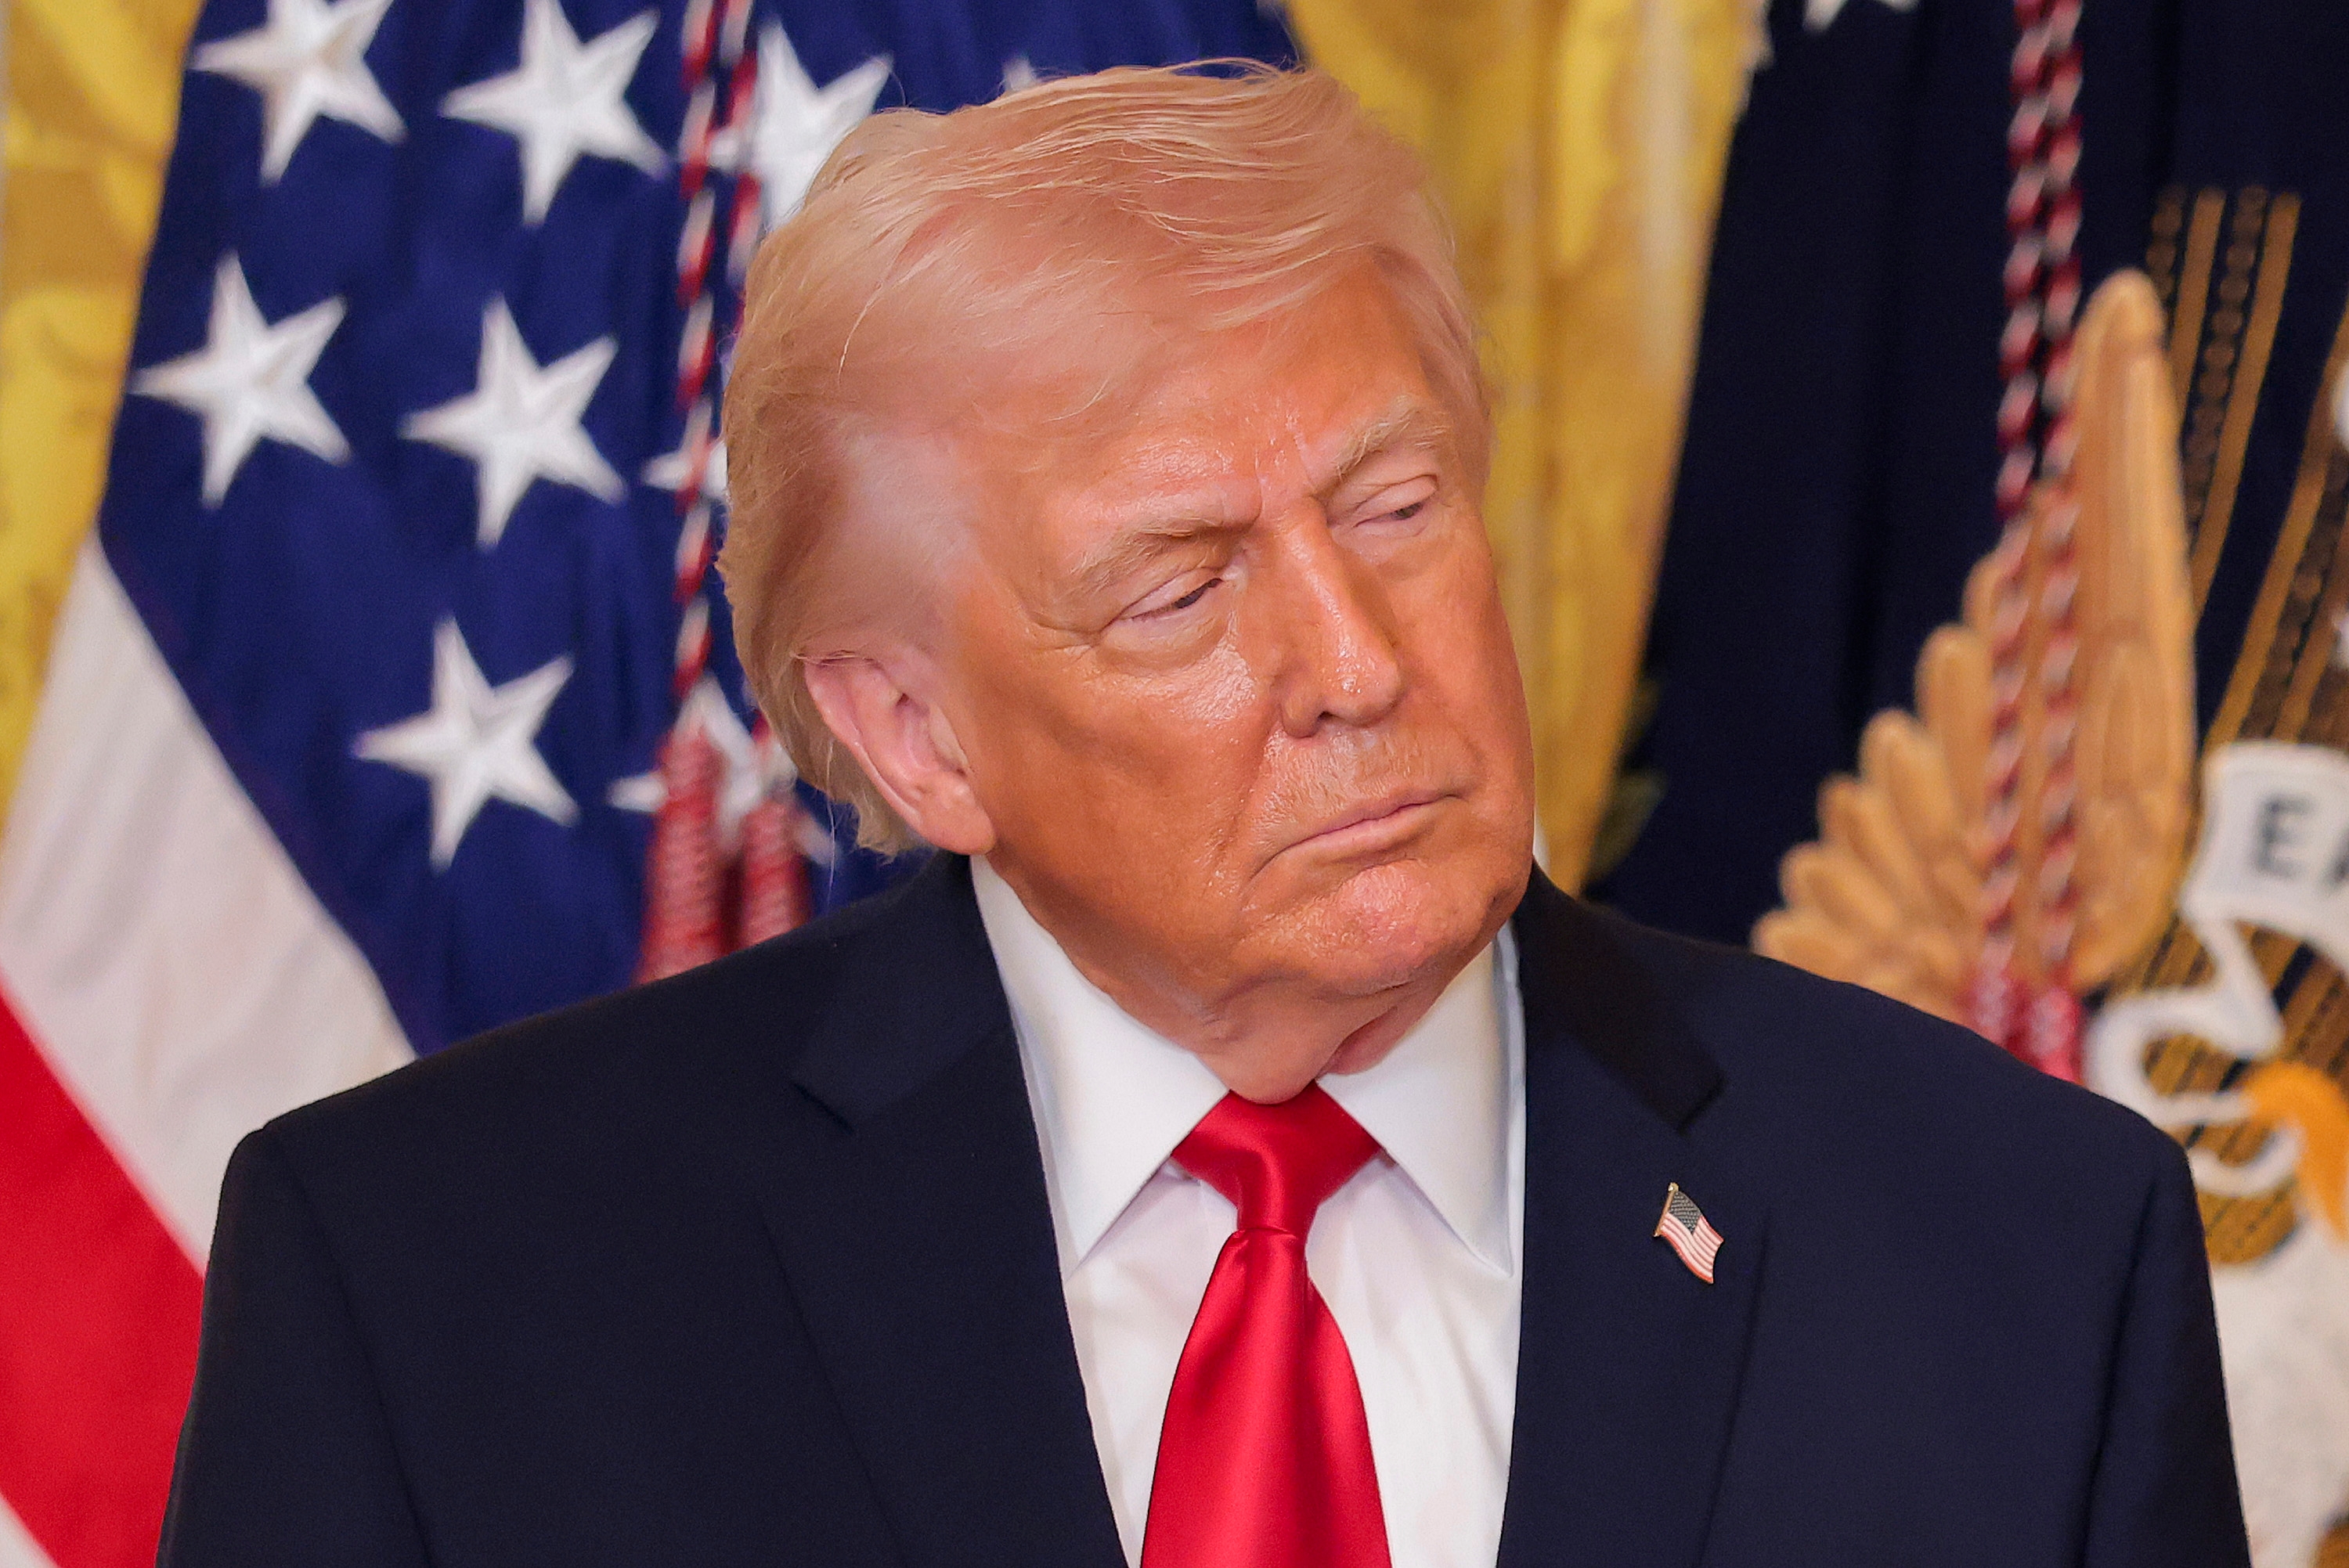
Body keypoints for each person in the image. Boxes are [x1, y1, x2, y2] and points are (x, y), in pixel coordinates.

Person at [160, 64, 2250, 1568]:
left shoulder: (2024, 1252)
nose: (1356, 658)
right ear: (917, 740)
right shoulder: (441, 1286)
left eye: (1396, 507)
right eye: (1181, 587)